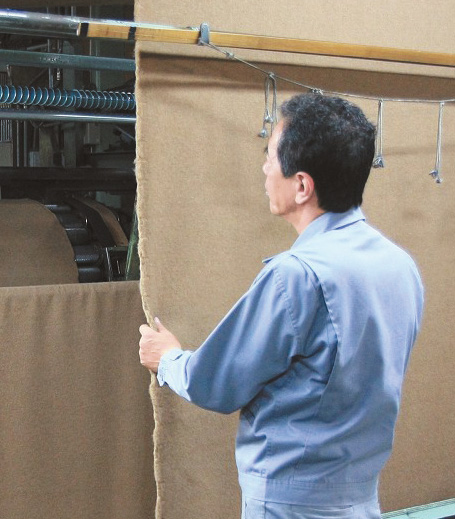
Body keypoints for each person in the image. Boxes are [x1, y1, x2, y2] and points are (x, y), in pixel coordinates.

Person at [139, 93, 424, 519]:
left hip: (291, 506)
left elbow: (215, 384)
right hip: (360, 500)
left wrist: (167, 359)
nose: (265, 168)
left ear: (302, 185)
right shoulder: (399, 266)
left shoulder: (296, 276)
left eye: (270, 156)